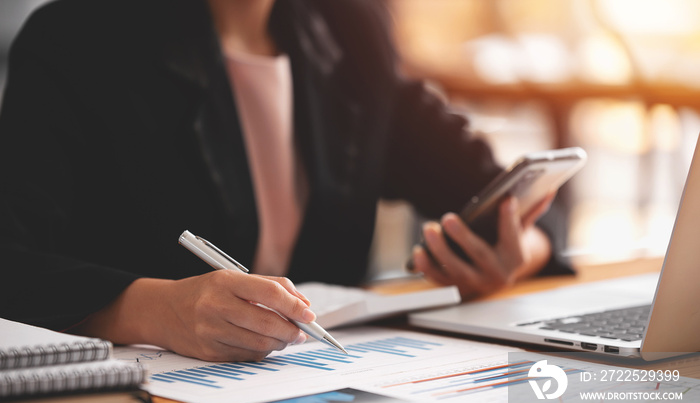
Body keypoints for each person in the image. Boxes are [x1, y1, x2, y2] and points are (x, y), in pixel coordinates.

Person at [0, 0, 571, 362]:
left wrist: (515, 253)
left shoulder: (350, 29)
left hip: (316, 402)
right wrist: (157, 310)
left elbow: (519, 194)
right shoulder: (75, 38)